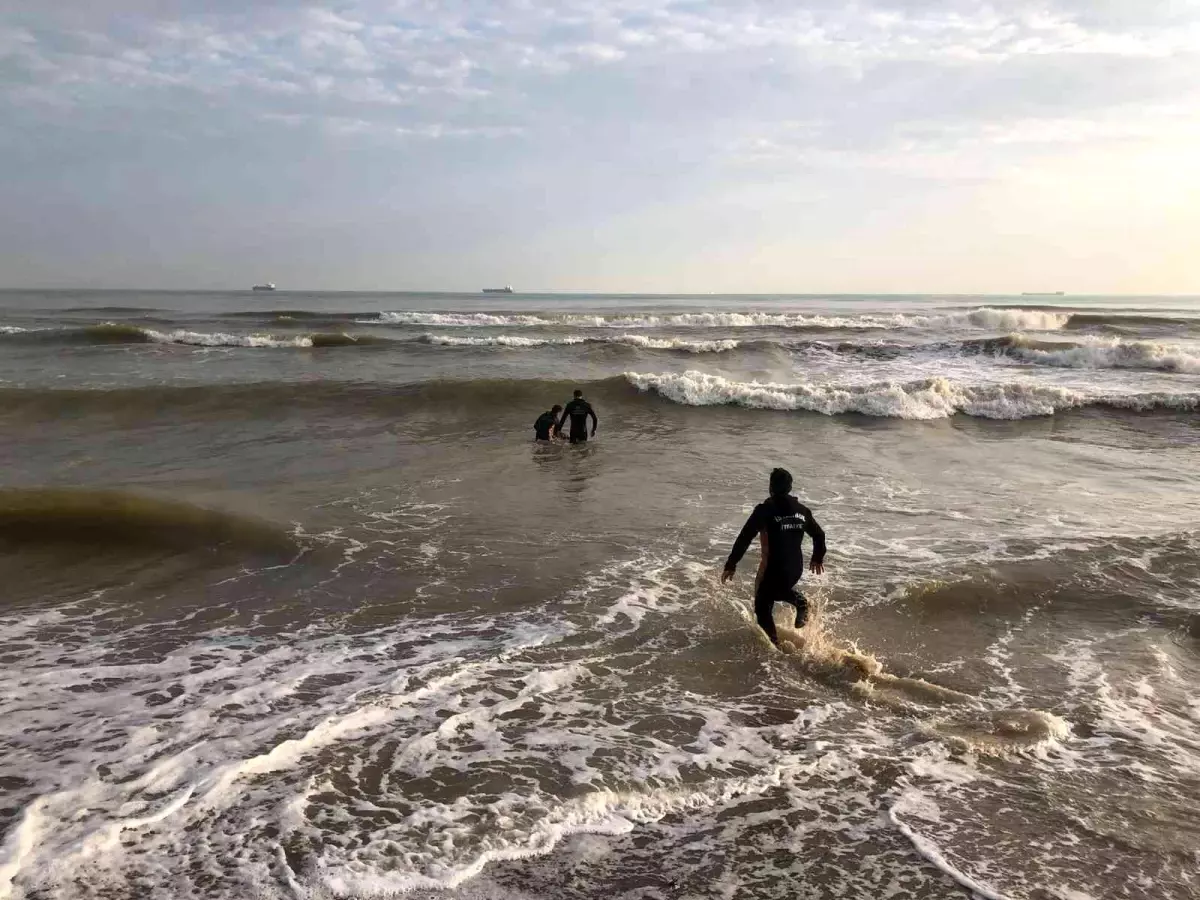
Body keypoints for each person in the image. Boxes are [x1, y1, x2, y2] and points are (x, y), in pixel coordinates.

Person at [720, 467, 826, 646]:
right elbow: (819, 534)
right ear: (790, 487)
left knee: (762, 605)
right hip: (795, 568)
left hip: (774, 568)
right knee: (772, 593)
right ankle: (795, 606)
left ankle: (774, 644)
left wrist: (731, 564)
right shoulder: (802, 511)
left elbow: (745, 537)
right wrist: (817, 557)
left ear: (771, 487)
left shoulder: (765, 510)